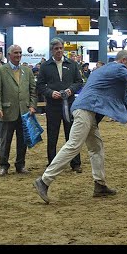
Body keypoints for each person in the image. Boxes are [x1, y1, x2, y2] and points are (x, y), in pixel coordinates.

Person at [33, 50, 127, 204]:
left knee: (96, 148)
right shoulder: (118, 69)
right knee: (73, 145)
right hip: (86, 110)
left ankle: (99, 184)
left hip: (87, 109)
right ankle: (44, 180)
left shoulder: (104, 69)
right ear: (123, 61)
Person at [37, 37, 84, 173]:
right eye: (56, 48)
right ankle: (52, 163)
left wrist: (71, 90)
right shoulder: (45, 66)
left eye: (61, 48)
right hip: (52, 106)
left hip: (70, 105)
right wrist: (50, 93)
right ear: (52, 50)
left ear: (64, 49)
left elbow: (79, 81)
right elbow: (40, 85)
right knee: (52, 136)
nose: (59, 50)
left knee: (72, 135)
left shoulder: (72, 64)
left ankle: (76, 164)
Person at [0, 45, 37, 176]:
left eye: (20, 53)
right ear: (9, 55)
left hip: (24, 112)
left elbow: (33, 90)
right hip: (7, 111)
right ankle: (3, 166)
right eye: (15, 53)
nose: (18, 55)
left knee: (23, 141)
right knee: (5, 140)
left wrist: (32, 105)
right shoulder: (1, 70)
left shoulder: (27, 71)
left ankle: (20, 165)